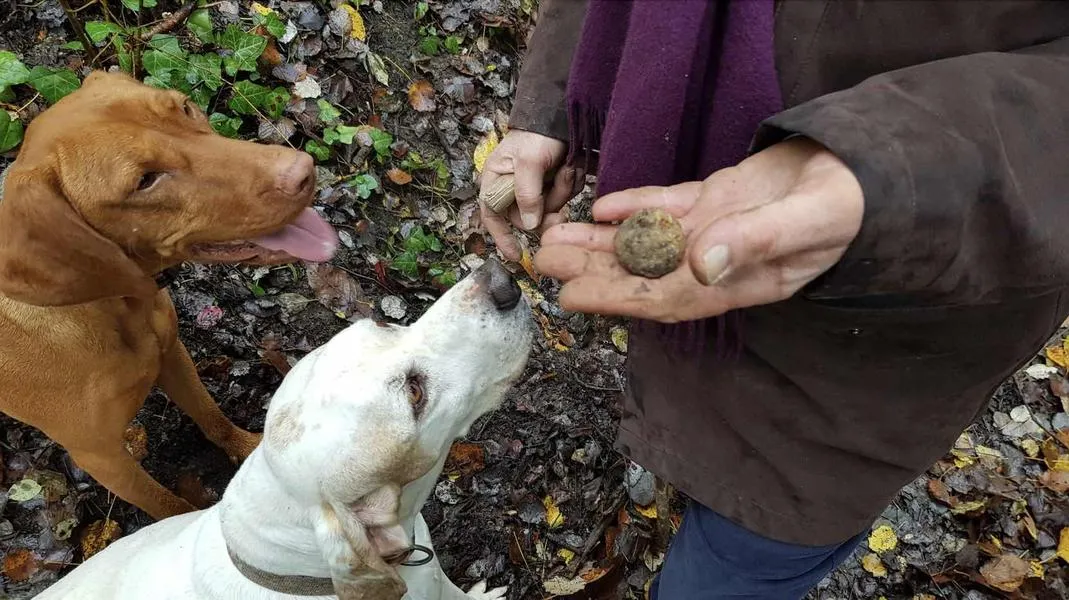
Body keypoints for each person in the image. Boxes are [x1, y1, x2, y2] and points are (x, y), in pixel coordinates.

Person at [477, 1, 1069, 598]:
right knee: (689, 434)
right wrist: (554, 101)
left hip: (876, 349)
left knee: (725, 570)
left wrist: (886, 171)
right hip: (690, 223)